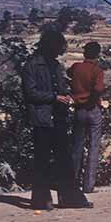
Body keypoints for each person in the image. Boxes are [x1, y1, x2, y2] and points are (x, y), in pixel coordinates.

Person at [22, 28, 91, 210]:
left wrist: (66, 95)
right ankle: (41, 200)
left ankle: (70, 198)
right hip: (42, 118)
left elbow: (60, 87)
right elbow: (30, 93)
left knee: (64, 159)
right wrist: (54, 97)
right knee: (42, 160)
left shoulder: (55, 65)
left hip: (58, 117)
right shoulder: (31, 65)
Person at [68, 41, 105, 194]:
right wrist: (91, 102)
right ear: (98, 54)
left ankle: (73, 183)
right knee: (94, 147)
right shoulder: (97, 70)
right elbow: (98, 89)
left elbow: (69, 74)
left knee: (77, 147)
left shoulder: (76, 67)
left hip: (78, 109)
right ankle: (88, 186)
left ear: (84, 53)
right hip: (92, 108)